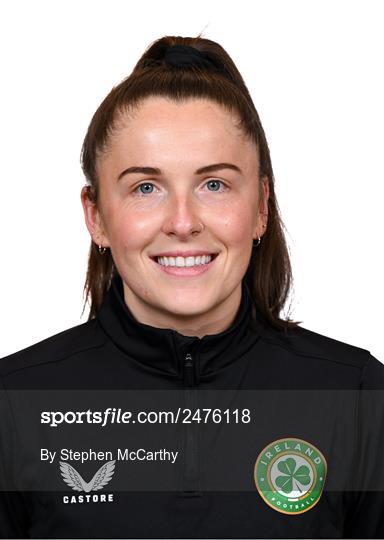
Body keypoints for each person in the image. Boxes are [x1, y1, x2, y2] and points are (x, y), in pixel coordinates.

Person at [1, 34, 384, 539]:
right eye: (145, 187)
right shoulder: (15, 402)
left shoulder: (356, 397)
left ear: (261, 207)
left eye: (214, 184)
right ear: (96, 217)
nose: (183, 222)